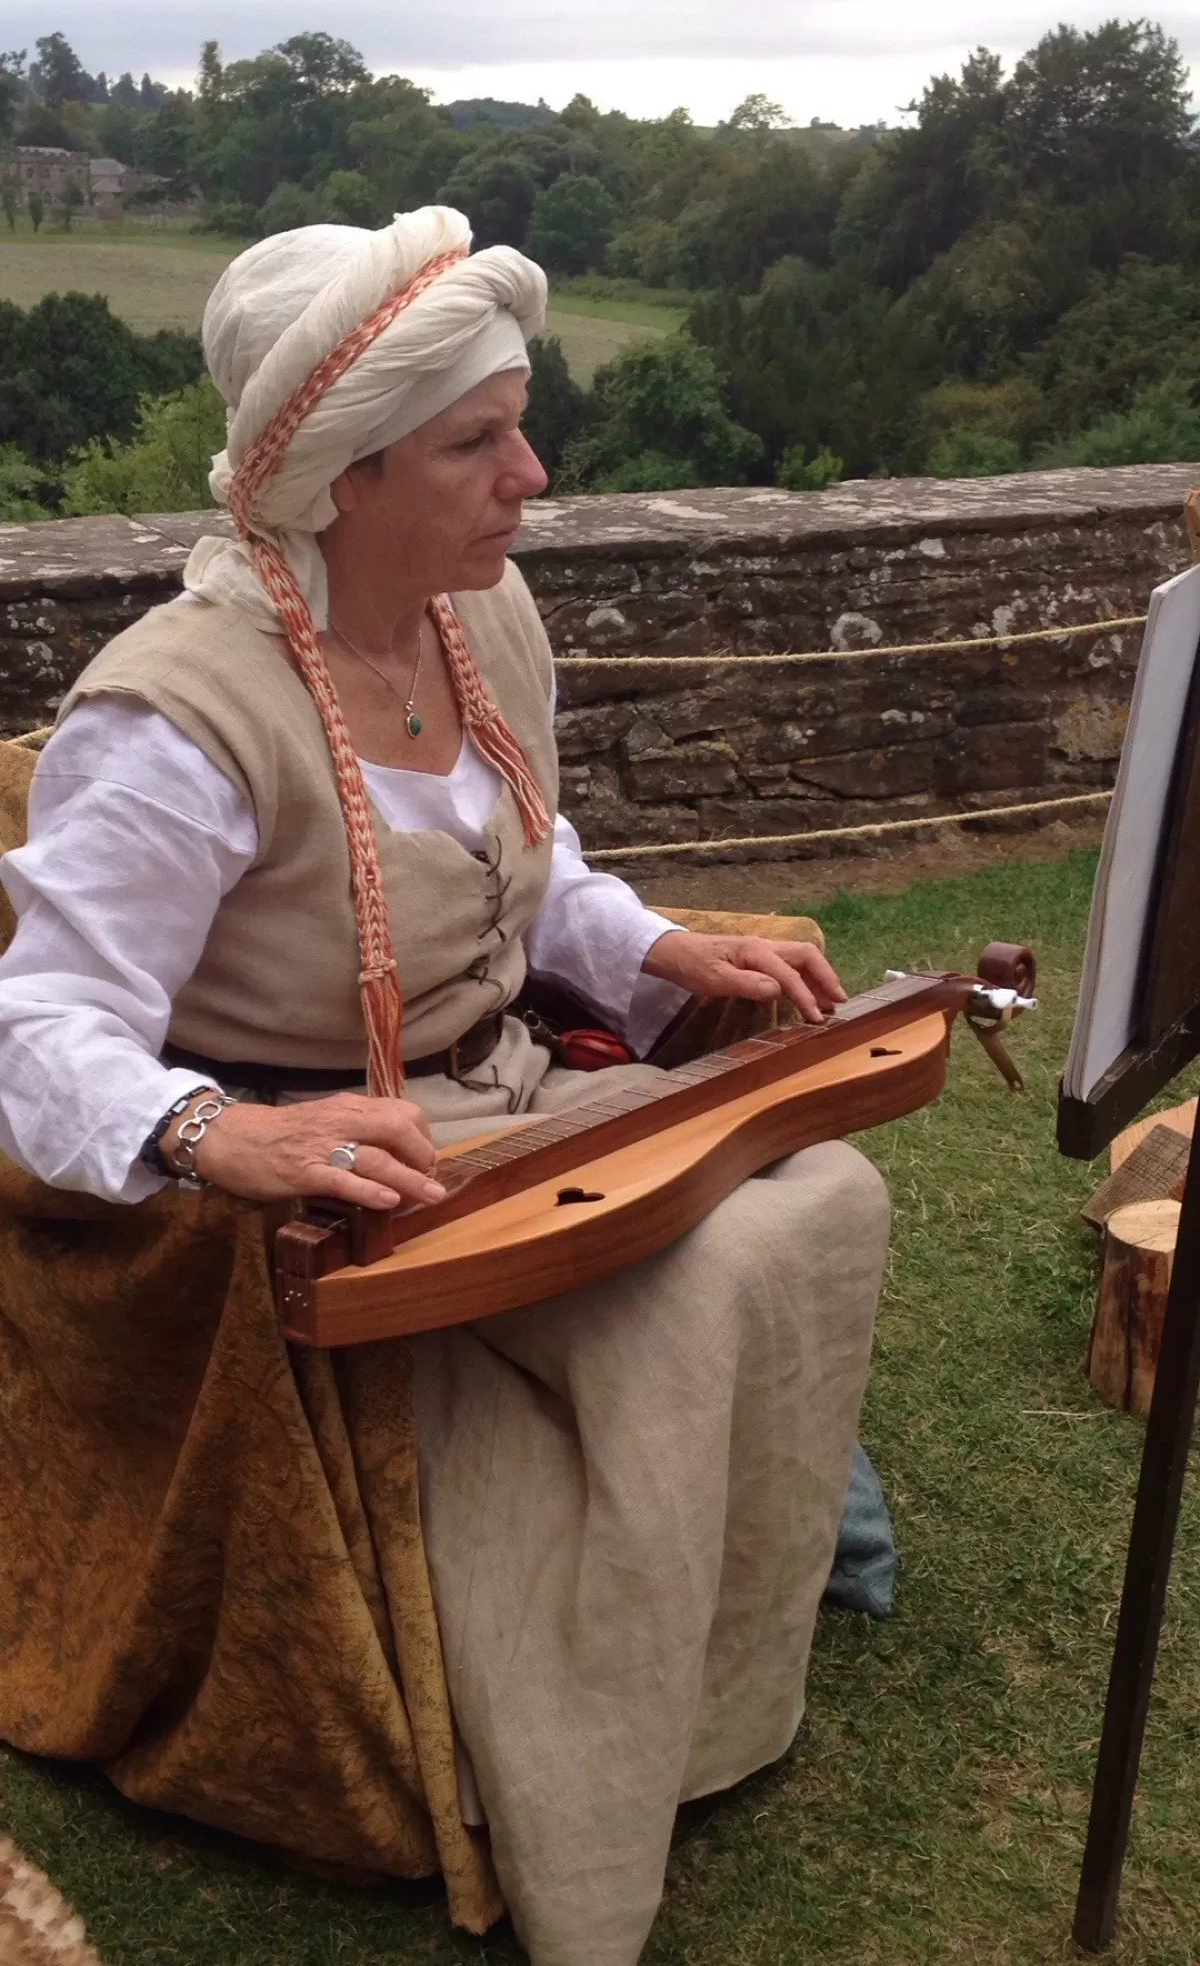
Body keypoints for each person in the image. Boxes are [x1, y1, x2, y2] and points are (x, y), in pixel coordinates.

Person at [0, 207, 889, 1966]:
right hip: (329, 1168)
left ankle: (714, 1683)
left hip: (498, 1086)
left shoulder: (481, 621)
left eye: (520, 424)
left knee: (831, 1198)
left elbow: (523, 864)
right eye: (479, 441)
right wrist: (217, 1127)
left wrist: (653, 952)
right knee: (689, 1286)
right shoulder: (177, 720)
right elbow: (40, 1026)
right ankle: (572, 1786)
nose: (531, 475)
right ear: (340, 474)